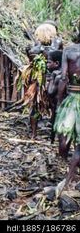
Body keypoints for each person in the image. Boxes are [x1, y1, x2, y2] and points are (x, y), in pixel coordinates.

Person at [54, 42, 80, 187]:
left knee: (63, 133)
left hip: (72, 97)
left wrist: (59, 101)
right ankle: (72, 172)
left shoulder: (69, 51)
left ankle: (64, 166)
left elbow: (64, 77)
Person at [46, 50, 64, 144]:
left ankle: (53, 141)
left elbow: (50, 92)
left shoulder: (57, 76)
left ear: (56, 63)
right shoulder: (65, 73)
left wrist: (51, 79)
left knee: (56, 122)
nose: (47, 65)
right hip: (62, 105)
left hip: (58, 105)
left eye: (49, 62)